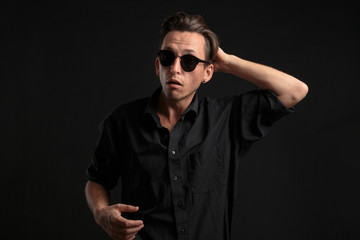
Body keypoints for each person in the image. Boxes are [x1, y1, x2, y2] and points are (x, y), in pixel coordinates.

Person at [85, 12, 308, 240]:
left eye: (189, 61)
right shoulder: (122, 121)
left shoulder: (227, 118)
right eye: (167, 57)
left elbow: (294, 90)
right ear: (157, 65)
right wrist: (101, 213)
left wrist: (228, 61)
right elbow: (97, 180)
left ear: (208, 72)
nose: (175, 68)